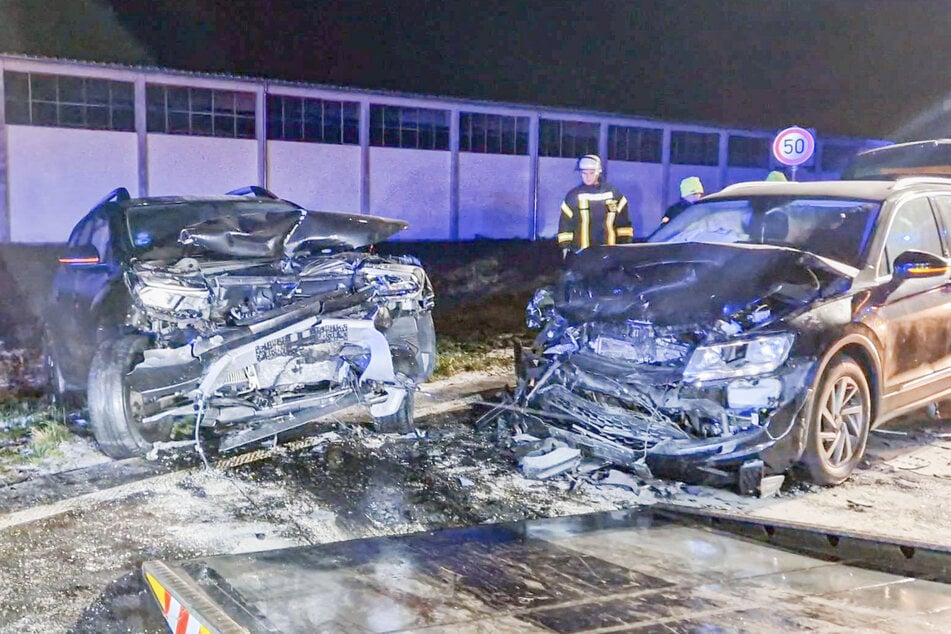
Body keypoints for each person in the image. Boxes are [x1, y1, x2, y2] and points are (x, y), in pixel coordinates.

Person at [557, 154, 633, 257]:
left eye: (591, 173)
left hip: (610, 255)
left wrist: (624, 247)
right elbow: (565, 225)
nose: (588, 177)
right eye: (584, 173)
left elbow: (624, 224)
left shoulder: (613, 194)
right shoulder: (573, 196)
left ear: (599, 172)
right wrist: (566, 248)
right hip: (581, 255)